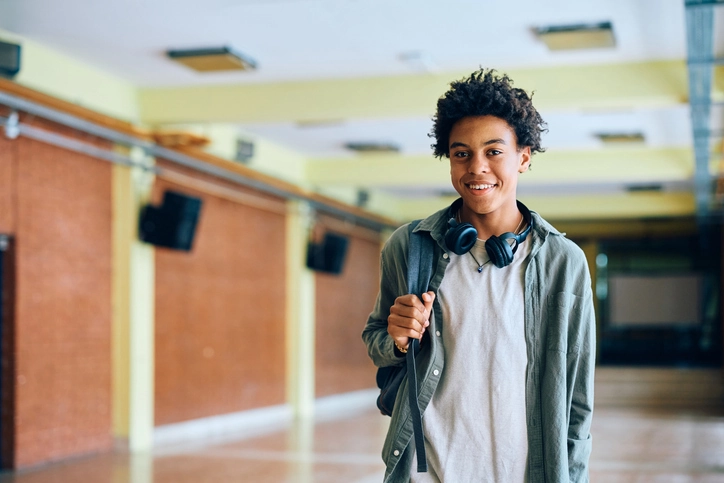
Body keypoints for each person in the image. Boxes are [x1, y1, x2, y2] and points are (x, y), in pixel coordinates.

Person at [362, 69, 596, 482]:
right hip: (427, 469)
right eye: (461, 153)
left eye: (494, 151)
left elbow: (576, 398)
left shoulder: (564, 262)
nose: (477, 168)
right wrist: (397, 340)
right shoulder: (410, 246)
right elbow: (378, 341)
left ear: (524, 157)